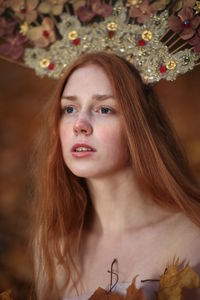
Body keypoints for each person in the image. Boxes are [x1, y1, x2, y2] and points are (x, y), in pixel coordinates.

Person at [30, 51, 200, 300]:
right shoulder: (54, 244)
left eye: (104, 109)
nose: (80, 124)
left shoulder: (190, 239)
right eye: (69, 109)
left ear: (138, 126)